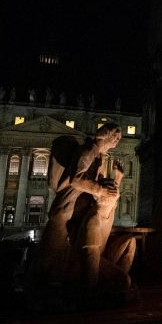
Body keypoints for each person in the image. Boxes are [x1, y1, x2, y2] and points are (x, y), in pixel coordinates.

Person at [29, 123, 134, 298]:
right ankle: (37, 288)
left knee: (57, 255)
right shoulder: (87, 152)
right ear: (105, 136)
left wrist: (117, 178)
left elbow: (97, 184)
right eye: (115, 138)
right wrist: (100, 190)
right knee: (49, 254)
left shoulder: (98, 157)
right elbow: (76, 180)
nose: (117, 142)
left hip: (79, 210)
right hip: (66, 209)